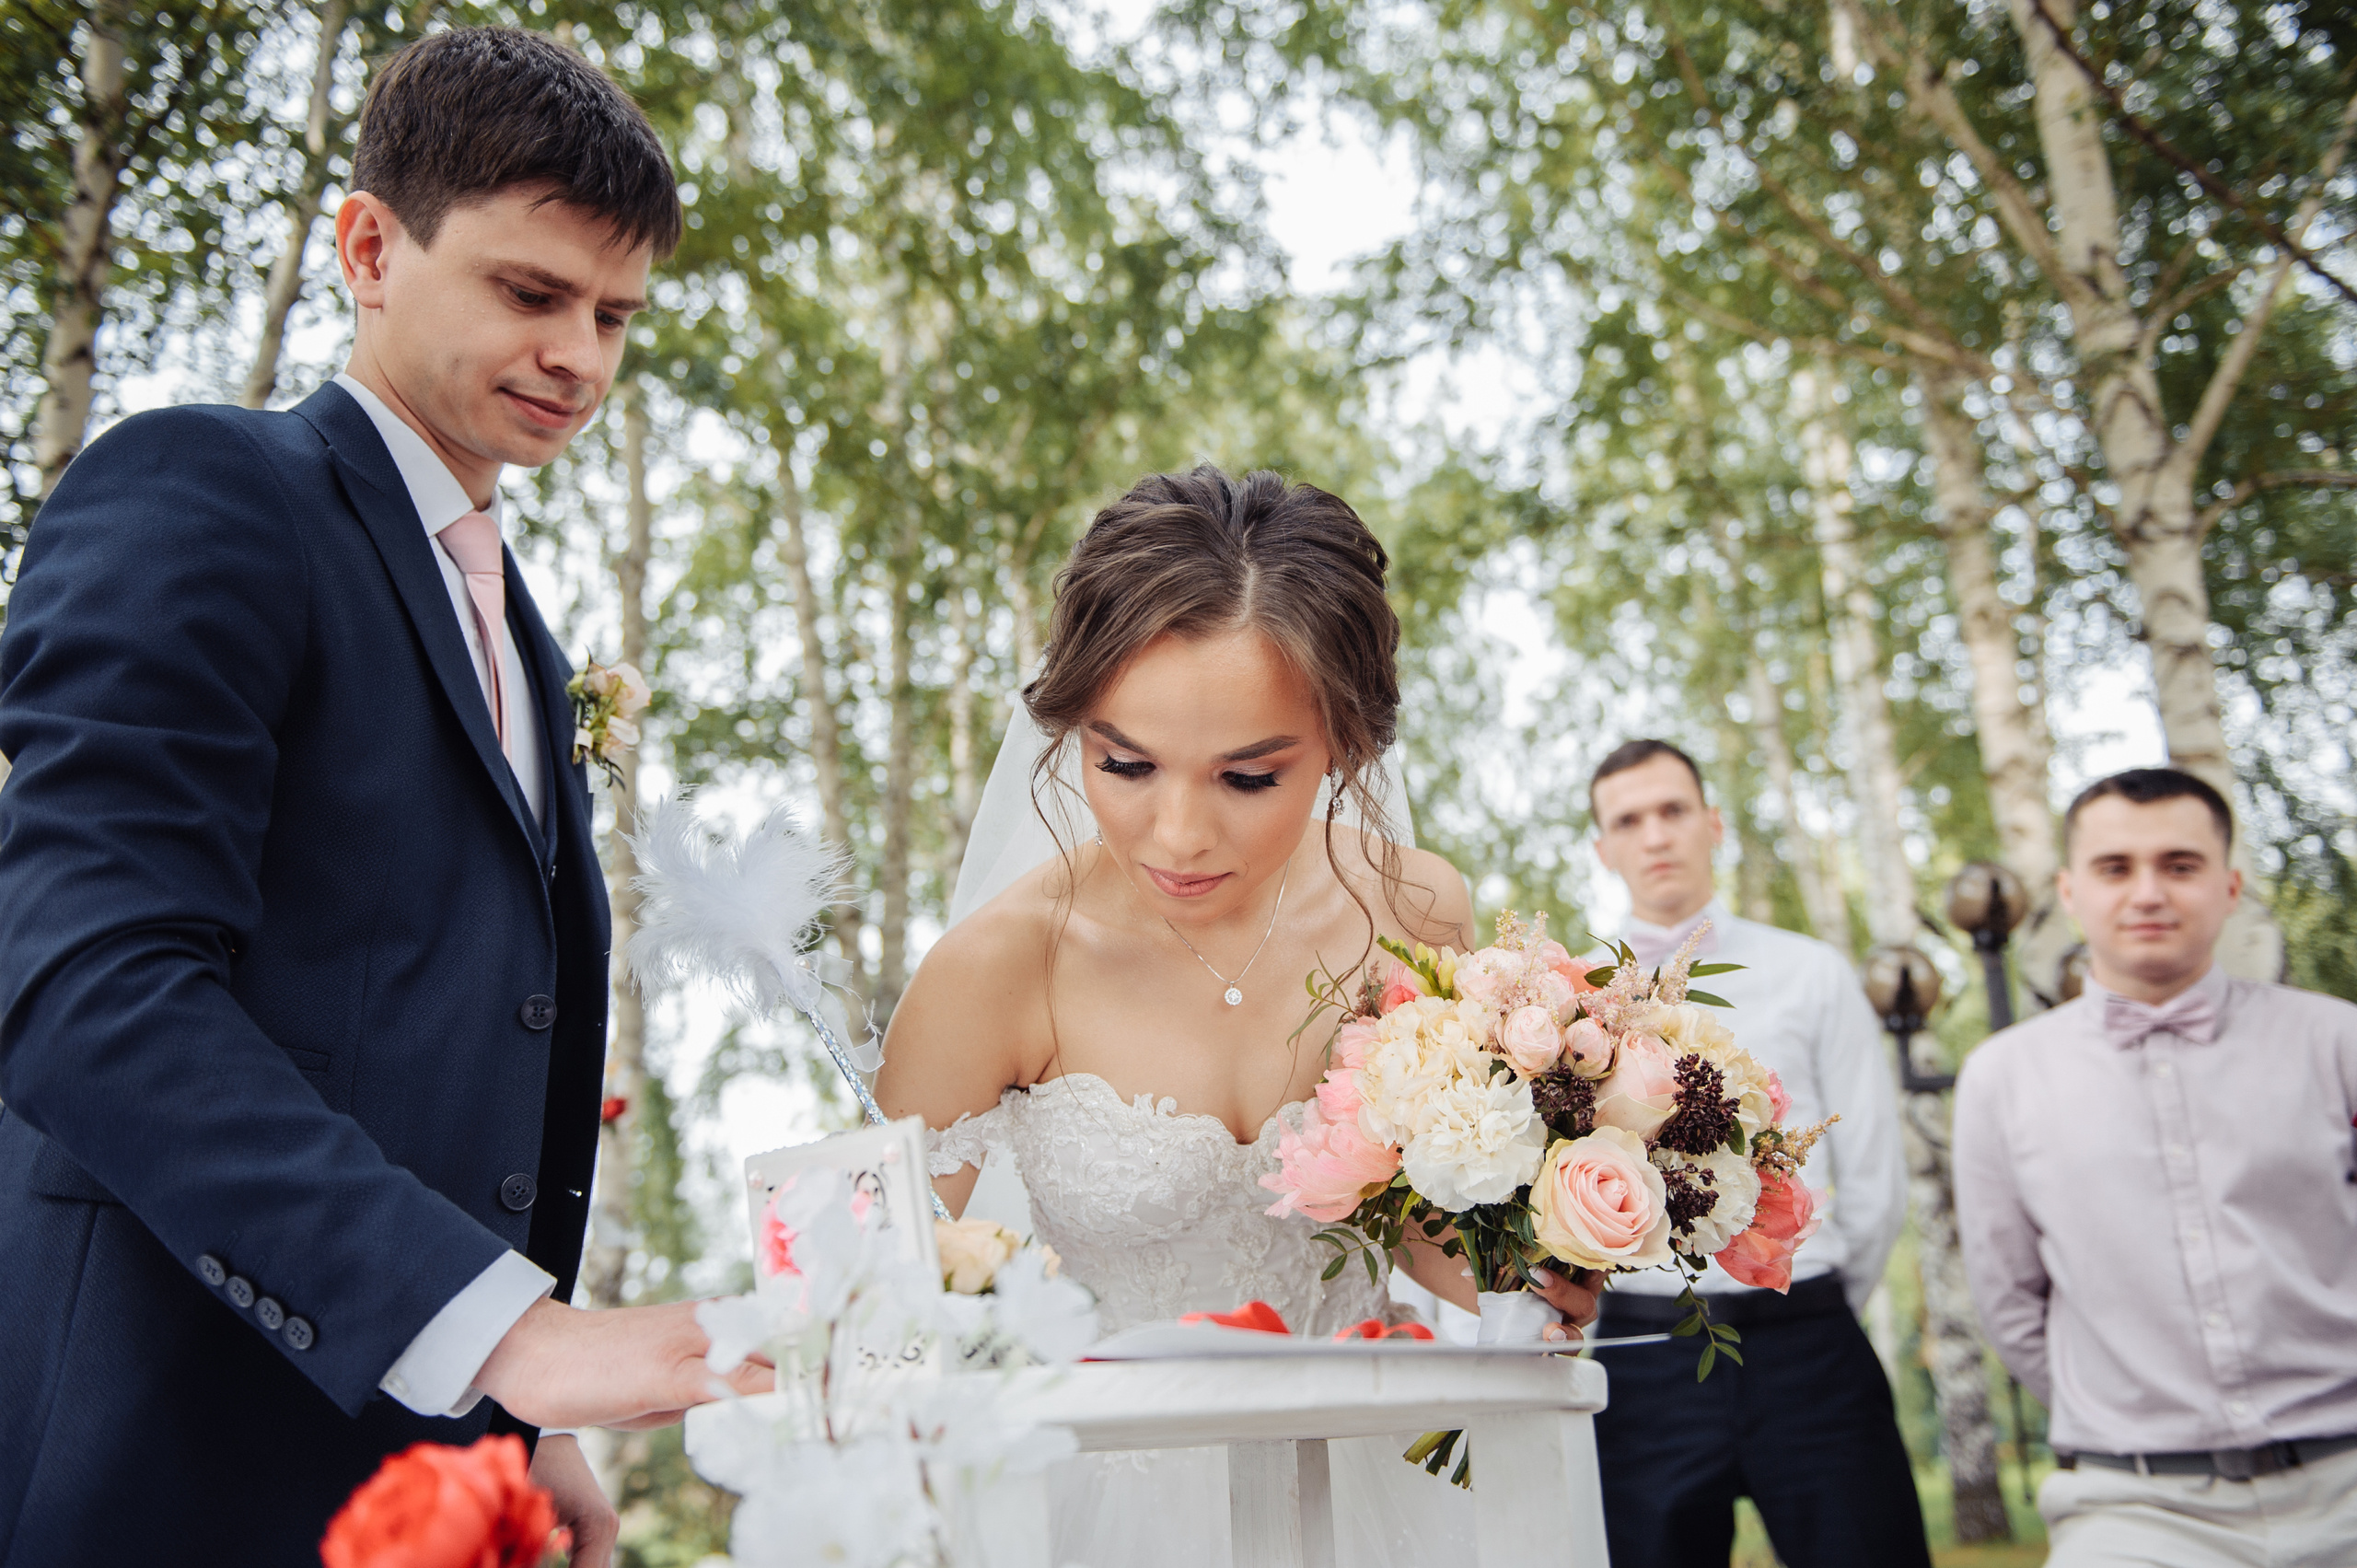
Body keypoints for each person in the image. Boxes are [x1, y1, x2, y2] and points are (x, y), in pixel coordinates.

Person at [0, 29, 765, 1566]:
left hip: (422, 1484)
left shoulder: (527, 645)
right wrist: (517, 1338)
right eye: (531, 292)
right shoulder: (204, 494)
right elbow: (87, 982)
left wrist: (520, 1432)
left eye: (617, 314)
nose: (584, 357)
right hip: (169, 1460)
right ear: (367, 245)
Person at [876, 466, 1602, 1566]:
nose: (1176, 833)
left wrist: (1554, 1255)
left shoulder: (1413, 908)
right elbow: (865, 1312)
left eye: (1247, 777)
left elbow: (1425, 1228)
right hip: (1110, 1507)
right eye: (1123, 762)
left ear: (1346, 743)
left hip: (1376, 1483)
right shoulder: (1000, 965)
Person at [1956, 767, 2357, 1566]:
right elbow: (2009, 1299)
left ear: (2231, 884)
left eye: (2180, 865)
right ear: (2070, 892)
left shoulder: (2337, 1042)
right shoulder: (2002, 1078)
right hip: (2132, 1508)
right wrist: (2127, 1411)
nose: (2148, 892)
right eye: (2116, 868)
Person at [1583, 738, 1927, 1567]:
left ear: (1714, 824)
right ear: (1604, 849)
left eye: (1672, 810)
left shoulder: (1814, 972)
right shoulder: (1574, 994)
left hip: (1807, 1346)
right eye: (1629, 820)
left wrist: (1808, 1296)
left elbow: (1872, 1181)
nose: (1655, 835)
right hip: (1640, 1353)